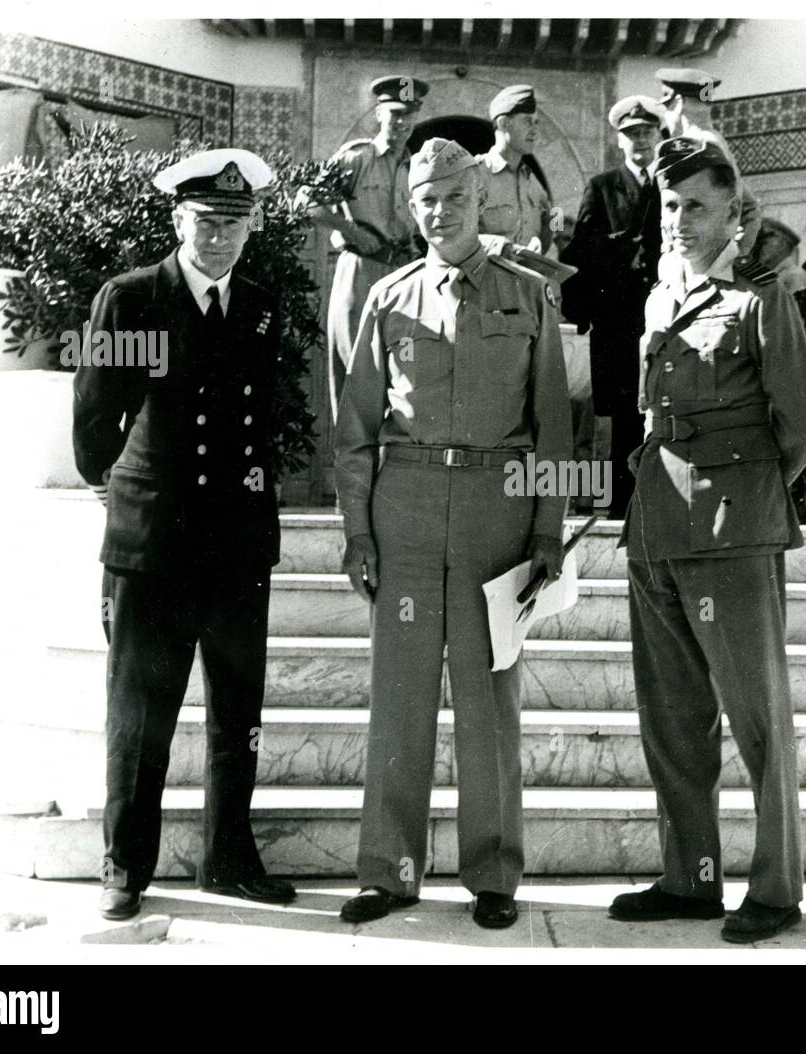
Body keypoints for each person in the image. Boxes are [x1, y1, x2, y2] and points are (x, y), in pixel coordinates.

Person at [333, 138, 572, 930]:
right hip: (404, 508)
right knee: (399, 696)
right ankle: (389, 870)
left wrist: (546, 535)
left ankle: (494, 873)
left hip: (496, 511)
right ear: (412, 208)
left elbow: (553, 427)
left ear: (481, 203)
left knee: (488, 699)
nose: (441, 213)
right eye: (427, 200)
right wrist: (358, 532)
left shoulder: (527, 295)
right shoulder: (389, 296)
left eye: (456, 199)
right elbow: (358, 427)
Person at [72, 149, 296, 921]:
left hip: (236, 543)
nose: (221, 238)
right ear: (178, 220)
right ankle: (124, 866)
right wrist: (124, 496)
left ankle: (229, 858)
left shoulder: (261, 307)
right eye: (207, 221)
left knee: (239, 713)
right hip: (154, 543)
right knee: (141, 715)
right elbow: (95, 422)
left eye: (235, 223)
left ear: (252, 227)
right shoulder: (131, 299)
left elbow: (261, 421)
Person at [609, 136, 806, 942]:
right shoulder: (661, 299)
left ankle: (776, 888)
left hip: (731, 537)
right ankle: (689, 878)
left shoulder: (764, 298)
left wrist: (743, 503)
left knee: (757, 722)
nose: (679, 221)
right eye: (669, 205)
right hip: (657, 530)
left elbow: (799, 429)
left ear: (734, 211)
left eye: (695, 205)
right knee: (671, 721)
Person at [560, 95, 666, 519]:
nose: (640, 141)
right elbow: (581, 249)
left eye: (646, 132)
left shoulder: (671, 184)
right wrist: (620, 248)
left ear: (659, 135)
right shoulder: (602, 187)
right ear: (619, 141)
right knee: (620, 414)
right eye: (631, 135)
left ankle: (657, 504)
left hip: (664, 314)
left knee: (662, 407)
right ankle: (619, 507)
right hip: (619, 319)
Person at [306, 75, 427, 426]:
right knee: (355, 370)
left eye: (409, 114)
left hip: (403, 277)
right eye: (395, 114)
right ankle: (349, 472)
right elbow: (309, 203)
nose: (402, 122)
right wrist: (351, 231)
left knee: (402, 375)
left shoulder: (414, 166)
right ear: (378, 113)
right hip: (361, 274)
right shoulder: (357, 157)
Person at [655, 67, 761, 260]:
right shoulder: (714, 140)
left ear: (677, 103)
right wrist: (736, 253)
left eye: (666, 106)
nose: (665, 116)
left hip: (699, 261)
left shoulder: (698, 145)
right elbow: (750, 207)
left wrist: (728, 258)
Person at [475, 85, 554, 255]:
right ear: (503, 123)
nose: (534, 130)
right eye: (527, 121)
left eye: (536, 122)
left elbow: (553, 224)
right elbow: (457, 237)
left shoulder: (533, 182)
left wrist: (541, 243)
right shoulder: (475, 175)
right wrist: (502, 247)